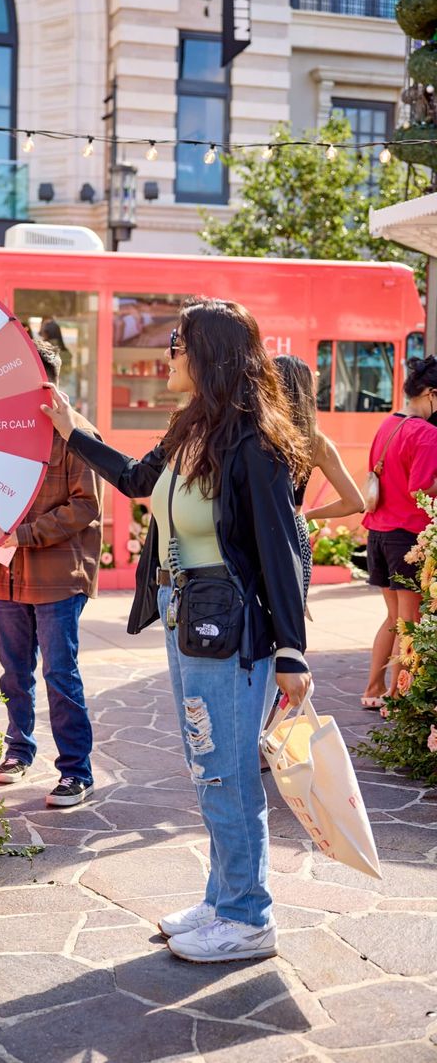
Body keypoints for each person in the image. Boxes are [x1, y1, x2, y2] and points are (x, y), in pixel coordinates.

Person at [41, 296, 311, 963]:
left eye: (178, 343)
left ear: (209, 355)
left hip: (231, 628)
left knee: (227, 774)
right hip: (186, 618)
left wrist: (293, 649)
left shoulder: (254, 441)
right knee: (205, 765)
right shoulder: (194, 428)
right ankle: (223, 898)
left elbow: (283, 545)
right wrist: (72, 428)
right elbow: (135, 480)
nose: (169, 354)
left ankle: (249, 917)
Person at [0, 339, 103, 807]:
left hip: (59, 574)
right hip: (9, 572)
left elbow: (86, 507)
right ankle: (19, 752)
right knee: (13, 672)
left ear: (48, 382)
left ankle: (77, 771)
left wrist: (24, 534)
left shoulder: (80, 434)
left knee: (60, 673)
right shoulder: (4, 433)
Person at [361, 355, 437, 709]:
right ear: (432, 393)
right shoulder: (426, 433)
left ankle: (373, 689)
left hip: (377, 533)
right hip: (406, 537)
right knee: (411, 621)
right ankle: (398, 696)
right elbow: (421, 488)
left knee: (394, 618)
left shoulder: (388, 423)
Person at [274, 354, 364, 599]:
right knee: (290, 620)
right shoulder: (316, 442)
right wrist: (306, 516)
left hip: (257, 534)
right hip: (293, 536)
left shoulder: (257, 436)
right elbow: (355, 502)